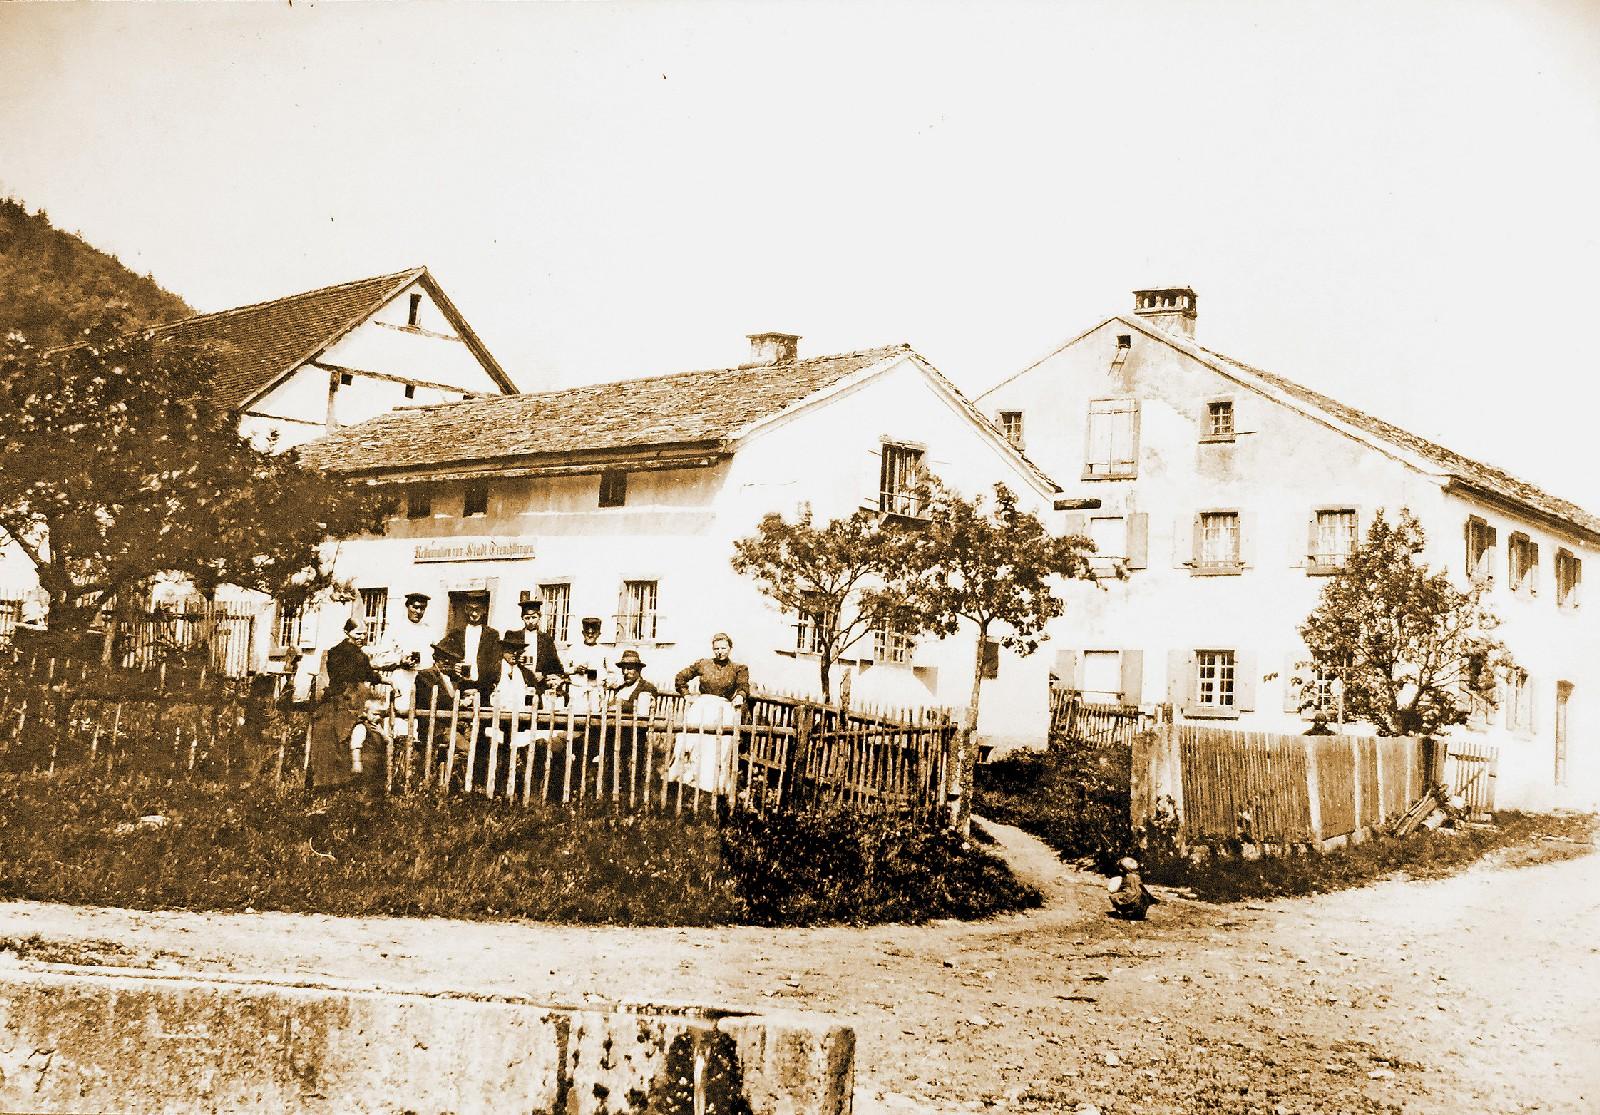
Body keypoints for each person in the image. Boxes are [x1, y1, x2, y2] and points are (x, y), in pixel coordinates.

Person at [370, 592, 435, 723]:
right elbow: (379, 658)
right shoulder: (395, 629)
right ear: (407, 607)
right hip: (404, 678)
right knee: (402, 713)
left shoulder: (428, 630)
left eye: (422, 608)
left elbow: (433, 656)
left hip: (425, 680)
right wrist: (400, 660)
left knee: (424, 716)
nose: (418, 611)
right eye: (415, 607)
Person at [433, 592, 500, 699]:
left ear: (484, 610)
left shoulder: (492, 635)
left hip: (484, 688)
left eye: (477, 609)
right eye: (470, 609)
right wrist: (453, 668)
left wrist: (489, 685)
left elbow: (495, 663)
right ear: (465, 610)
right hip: (461, 687)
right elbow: (439, 654)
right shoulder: (456, 633)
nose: (474, 614)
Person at [508, 598, 565, 706]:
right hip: (518, 683)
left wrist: (543, 674)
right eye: (527, 618)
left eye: (534, 617)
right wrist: (515, 659)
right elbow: (505, 656)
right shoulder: (514, 637)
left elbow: (556, 666)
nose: (530, 621)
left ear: (539, 617)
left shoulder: (546, 639)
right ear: (522, 618)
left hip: (539, 685)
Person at [674, 632, 750, 710]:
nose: (720, 652)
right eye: (716, 649)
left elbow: (743, 686)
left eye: (723, 648)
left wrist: (740, 696)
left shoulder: (738, 668)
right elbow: (680, 677)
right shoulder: (703, 664)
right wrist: (687, 696)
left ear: (730, 648)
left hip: (724, 708)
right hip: (702, 707)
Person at [565, 616, 615, 713]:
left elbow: (611, 673)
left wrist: (606, 682)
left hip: (596, 693)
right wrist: (575, 669)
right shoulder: (574, 649)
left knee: (595, 719)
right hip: (578, 691)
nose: (590, 635)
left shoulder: (604, 651)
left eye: (593, 633)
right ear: (583, 633)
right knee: (577, 719)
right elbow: (564, 669)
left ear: (599, 634)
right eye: (587, 633)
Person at [322, 618, 380, 699]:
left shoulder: (357, 653)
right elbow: (365, 675)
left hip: (352, 695)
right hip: (343, 698)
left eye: (365, 634)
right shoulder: (339, 652)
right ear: (346, 632)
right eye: (358, 634)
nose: (362, 637)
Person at [608, 648, 658, 717]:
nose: (625, 672)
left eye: (629, 668)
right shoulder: (620, 688)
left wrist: (621, 704)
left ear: (639, 669)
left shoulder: (647, 688)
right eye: (623, 668)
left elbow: (643, 708)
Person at [1107, 854, 1158, 921]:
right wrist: (1151, 898)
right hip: (1139, 908)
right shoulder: (1137, 878)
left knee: (1114, 896)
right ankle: (1139, 912)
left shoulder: (1124, 878)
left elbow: (1112, 889)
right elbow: (1142, 888)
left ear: (1122, 869)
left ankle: (1123, 912)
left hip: (1129, 900)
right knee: (1142, 896)